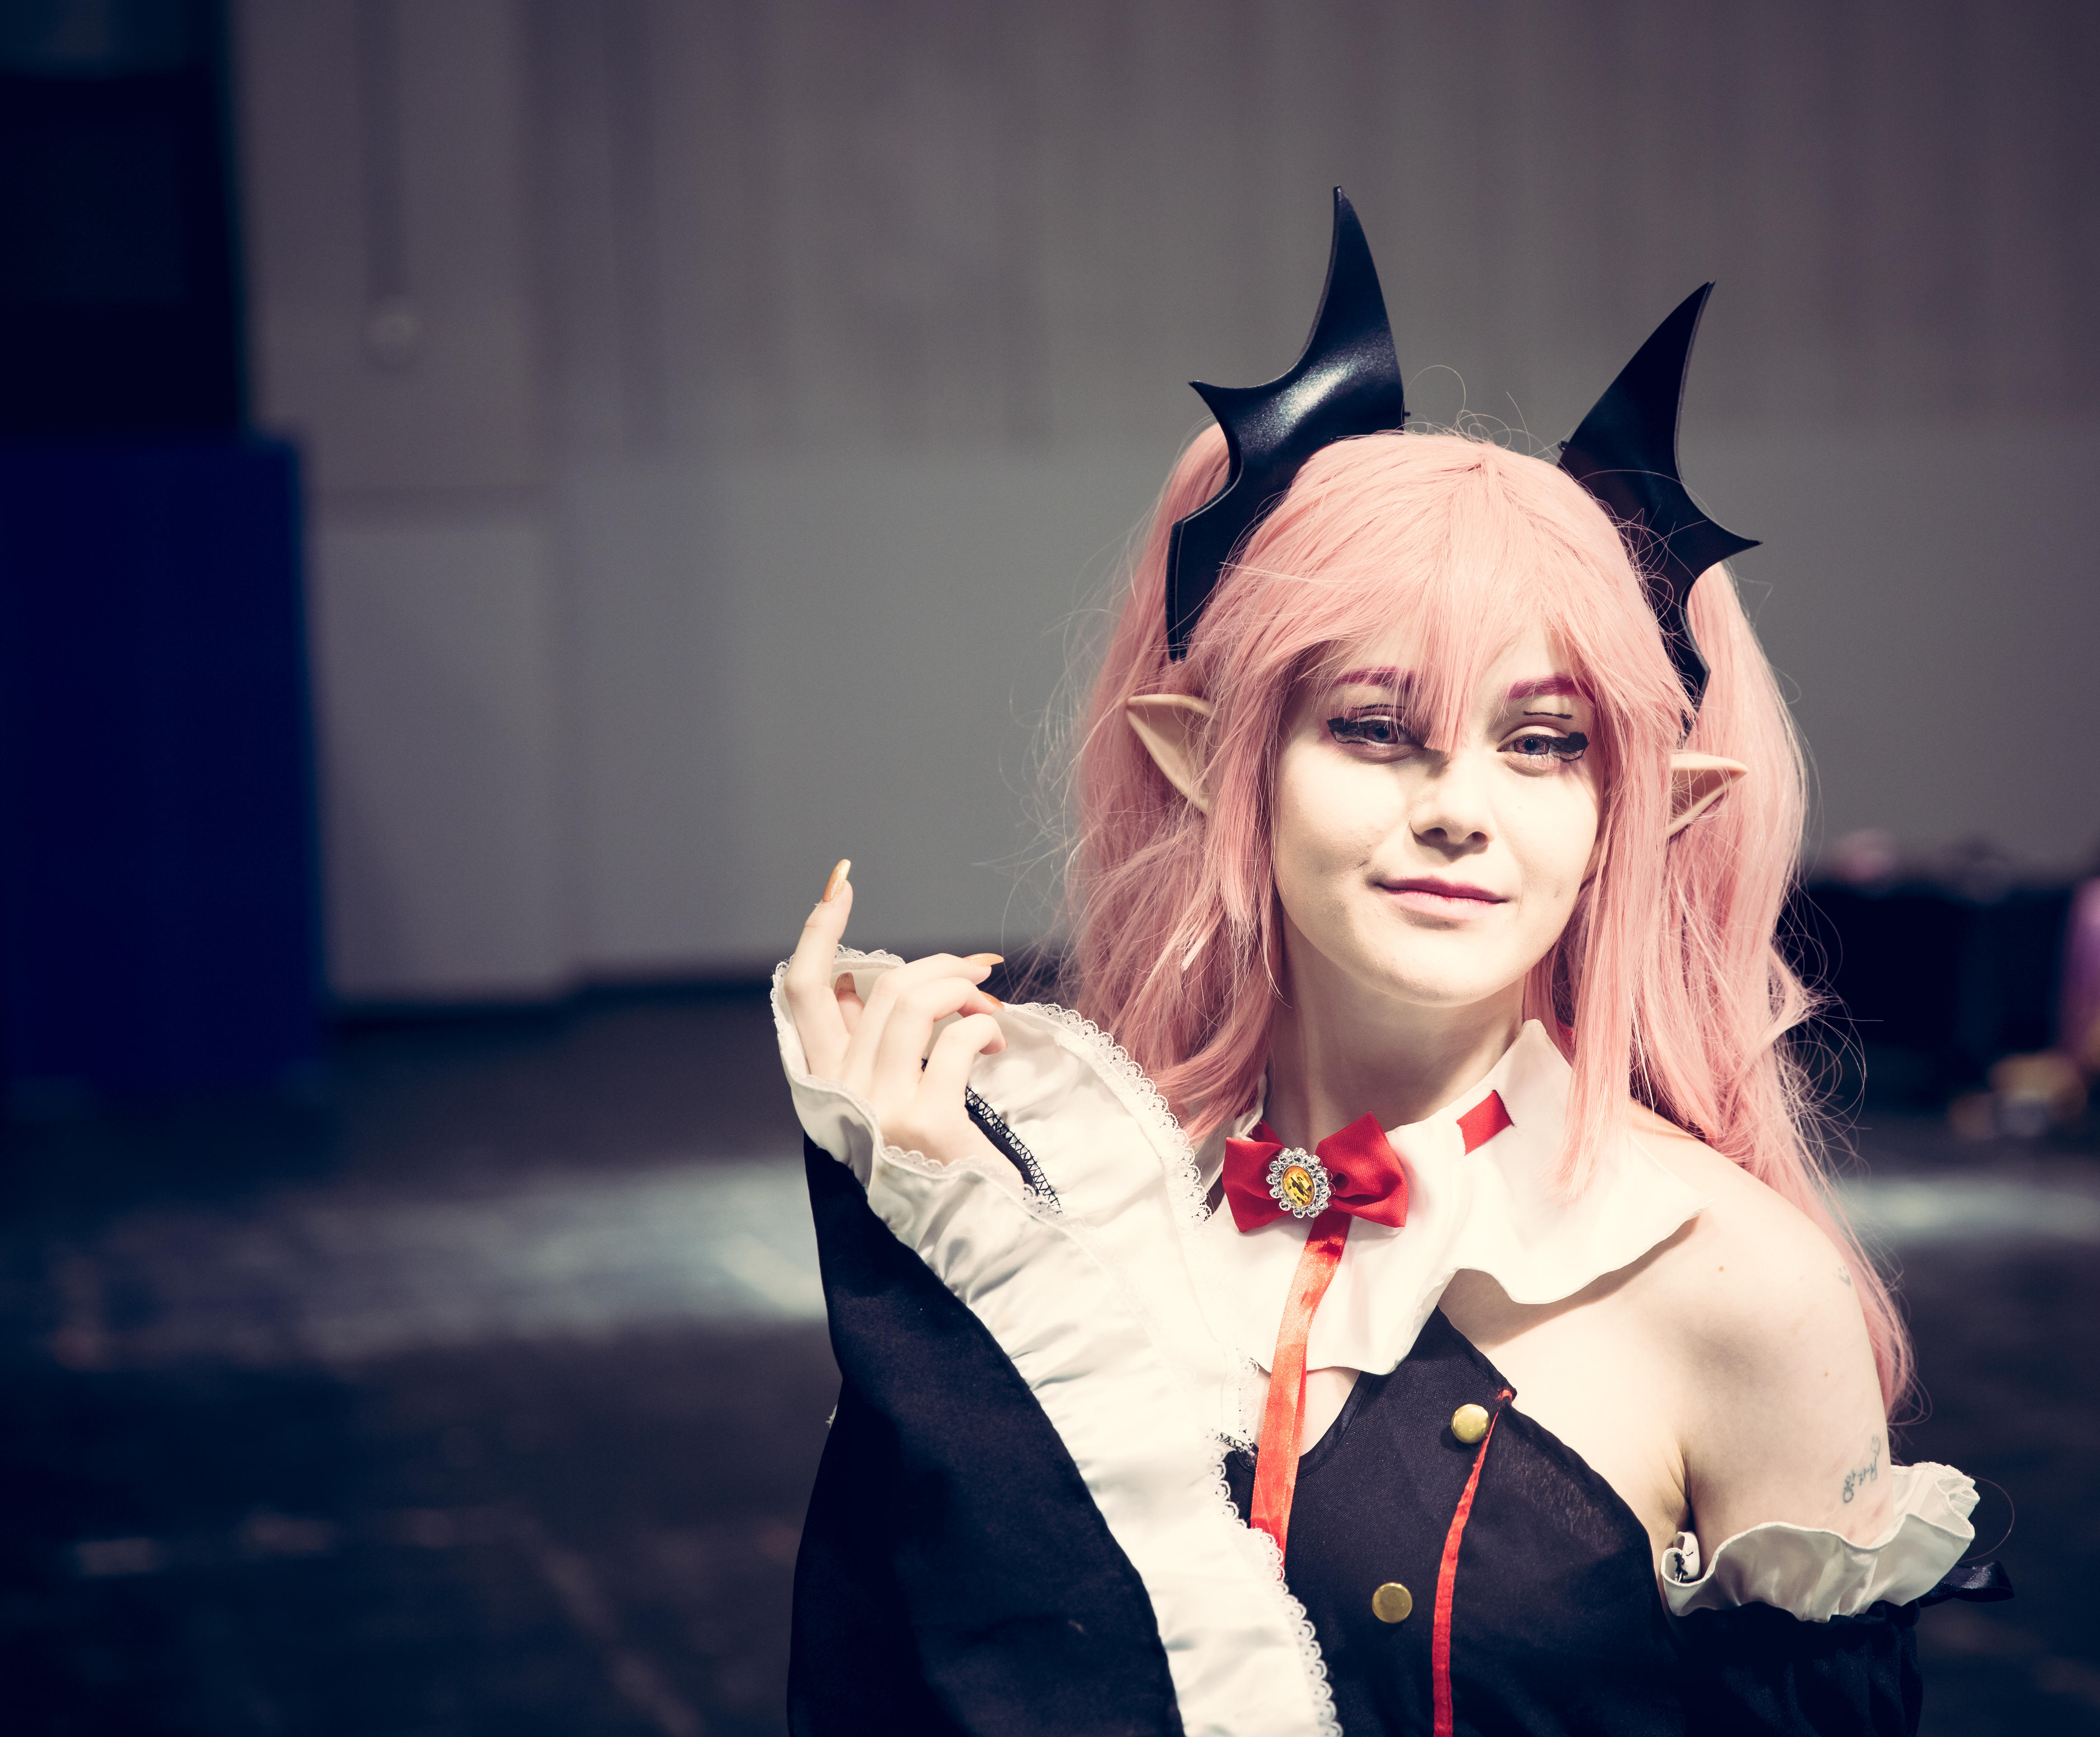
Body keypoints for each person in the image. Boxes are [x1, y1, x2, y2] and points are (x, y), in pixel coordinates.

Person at [772, 194, 2001, 1737]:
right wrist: (942, 1249)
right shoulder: (1067, 1211)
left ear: (1633, 811)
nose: (1458, 810)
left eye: (1542, 743)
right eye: (1371, 726)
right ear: (1214, 762)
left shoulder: (1739, 1290)